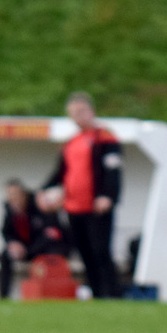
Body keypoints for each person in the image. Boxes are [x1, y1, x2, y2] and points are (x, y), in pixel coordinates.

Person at [44, 91, 121, 300]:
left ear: (91, 112)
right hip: (73, 206)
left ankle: (111, 293)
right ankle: (96, 292)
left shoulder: (104, 138)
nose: (78, 116)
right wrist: (44, 191)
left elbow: (113, 170)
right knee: (84, 252)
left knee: (101, 250)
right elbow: (60, 173)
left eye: (81, 111)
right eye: (74, 112)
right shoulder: (71, 142)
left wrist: (107, 195)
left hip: (96, 206)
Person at [0, 181, 69, 299]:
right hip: (23, 249)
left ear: (24, 195)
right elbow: (6, 232)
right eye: (10, 195)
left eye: (16, 195)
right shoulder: (9, 211)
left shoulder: (39, 208)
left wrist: (28, 250)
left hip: (40, 249)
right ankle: (3, 296)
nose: (13, 199)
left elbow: (49, 234)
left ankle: (49, 294)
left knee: (50, 256)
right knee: (5, 255)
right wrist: (13, 244)